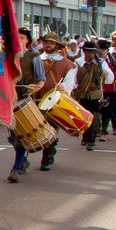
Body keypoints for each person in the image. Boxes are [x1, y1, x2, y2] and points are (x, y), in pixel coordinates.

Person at [7, 28, 45, 183]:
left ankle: (15, 168)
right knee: (13, 137)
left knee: (20, 136)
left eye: (22, 37)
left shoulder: (34, 57)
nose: (19, 40)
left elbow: (41, 79)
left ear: (28, 41)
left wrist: (36, 87)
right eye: (17, 37)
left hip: (25, 101)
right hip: (10, 101)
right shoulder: (6, 57)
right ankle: (22, 160)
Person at [38, 31, 76, 171]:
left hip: (54, 101)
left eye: (50, 42)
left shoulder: (67, 64)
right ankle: (22, 160)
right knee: (32, 128)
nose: (47, 45)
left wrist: (64, 86)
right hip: (36, 99)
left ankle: (47, 156)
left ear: (56, 45)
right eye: (45, 42)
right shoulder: (36, 59)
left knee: (51, 130)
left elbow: (70, 83)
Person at [75, 41, 110, 152]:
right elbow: (74, 80)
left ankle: (91, 140)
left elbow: (110, 79)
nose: (89, 55)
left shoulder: (101, 63)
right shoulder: (78, 63)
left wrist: (105, 74)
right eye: (87, 52)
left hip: (95, 95)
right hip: (81, 94)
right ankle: (85, 137)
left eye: (91, 52)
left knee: (95, 118)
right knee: (83, 118)